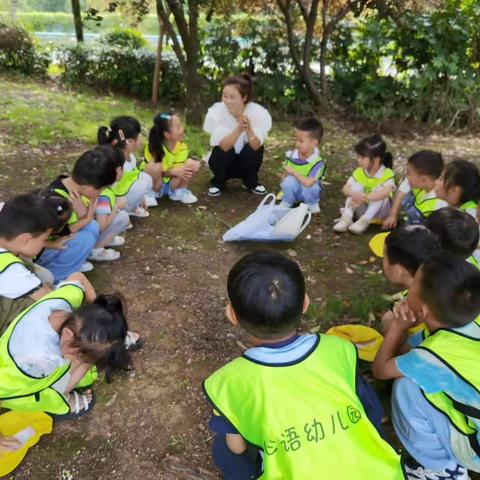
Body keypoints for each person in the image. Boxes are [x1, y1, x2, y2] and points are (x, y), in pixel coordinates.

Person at [203, 251, 405, 479]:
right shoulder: (339, 349)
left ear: (232, 315)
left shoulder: (229, 383)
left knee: (224, 448)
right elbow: (372, 412)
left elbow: (237, 448)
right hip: (380, 473)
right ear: (306, 303)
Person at [373, 254, 480, 479]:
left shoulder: (430, 355)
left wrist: (398, 328)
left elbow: (381, 370)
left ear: (422, 312)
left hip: (476, 452)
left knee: (406, 388)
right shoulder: (469, 323)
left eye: (412, 286)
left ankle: (439, 470)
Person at [0, 279, 130, 419]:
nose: (78, 359)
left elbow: (78, 277)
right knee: (83, 365)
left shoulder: (64, 302)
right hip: (27, 391)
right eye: (79, 355)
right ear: (67, 334)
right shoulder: (36, 362)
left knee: (89, 358)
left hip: (30, 363)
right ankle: (62, 399)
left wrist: (99, 325)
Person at [37, 148, 117, 279]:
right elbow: (54, 234)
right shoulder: (57, 202)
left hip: (53, 241)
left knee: (92, 227)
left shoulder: (68, 185)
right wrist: (85, 219)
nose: (101, 193)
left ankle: (72, 262)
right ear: (89, 188)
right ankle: (54, 277)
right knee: (85, 239)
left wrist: (83, 216)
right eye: (102, 189)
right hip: (39, 250)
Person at [0, 193, 74, 334]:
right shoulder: (11, 269)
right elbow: (53, 301)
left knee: (43, 277)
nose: (44, 243)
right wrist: (75, 287)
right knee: (43, 313)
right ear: (25, 239)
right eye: (44, 239)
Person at [203, 73, 272, 197]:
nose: (227, 101)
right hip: (226, 160)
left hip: (245, 161)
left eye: (232, 97)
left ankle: (251, 181)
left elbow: (256, 146)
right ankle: (219, 182)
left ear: (244, 97)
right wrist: (238, 129)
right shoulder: (217, 112)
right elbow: (223, 146)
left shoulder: (257, 112)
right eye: (224, 96)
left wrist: (249, 129)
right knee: (221, 150)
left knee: (254, 148)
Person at [370, 225, 440, 334]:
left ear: (398, 271)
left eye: (384, 257)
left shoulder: (419, 311)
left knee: (388, 321)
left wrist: (396, 329)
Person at [333, 134, 395, 234]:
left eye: (362, 157)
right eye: (358, 157)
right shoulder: (360, 171)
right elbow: (346, 188)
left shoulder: (387, 173)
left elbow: (386, 192)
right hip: (362, 208)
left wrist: (365, 198)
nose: (358, 160)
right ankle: (346, 218)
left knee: (380, 191)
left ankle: (364, 221)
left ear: (376, 159)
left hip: (380, 214)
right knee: (355, 188)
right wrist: (354, 194)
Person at [98, 116, 154, 216]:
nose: (142, 139)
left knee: (145, 178)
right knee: (143, 182)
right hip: (114, 198)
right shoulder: (116, 162)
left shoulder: (131, 157)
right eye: (139, 135)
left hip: (123, 192)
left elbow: (131, 179)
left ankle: (132, 206)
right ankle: (123, 210)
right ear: (130, 141)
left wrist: (141, 197)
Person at [144, 112, 200, 204]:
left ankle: (179, 191)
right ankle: (148, 193)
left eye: (180, 125)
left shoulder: (182, 147)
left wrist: (190, 167)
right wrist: (173, 172)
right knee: (155, 165)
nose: (182, 129)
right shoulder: (154, 147)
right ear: (167, 134)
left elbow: (179, 168)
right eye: (178, 127)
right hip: (156, 184)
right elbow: (158, 171)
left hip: (171, 184)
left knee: (190, 163)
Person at [383, 150, 447, 229]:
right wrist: (393, 215)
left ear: (424, 179)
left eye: (409, 173)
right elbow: (401, 192)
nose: (407, 177)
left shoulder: (439, 205)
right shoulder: (419, 183)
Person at [279, 117, 325, 214]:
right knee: (288, 181)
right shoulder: (292, 155)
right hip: (295, 187)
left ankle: (311, 203)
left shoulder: (317, 163)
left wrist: (293, 172)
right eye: (296, 140)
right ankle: (288, 200)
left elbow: (309, 183)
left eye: (301, 141)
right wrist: (284, 178)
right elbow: (284, 175)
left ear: (314, 143)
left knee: (312, 187)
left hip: (308, 188)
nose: (297, 144)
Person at [92, 145, 130, 261]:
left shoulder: (97, 185)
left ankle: (106, 239)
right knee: (123, 217)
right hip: (92, 234)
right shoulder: (104, 194)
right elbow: (101, 225)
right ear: (117, 171)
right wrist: (116, 207)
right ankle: (96, 249)